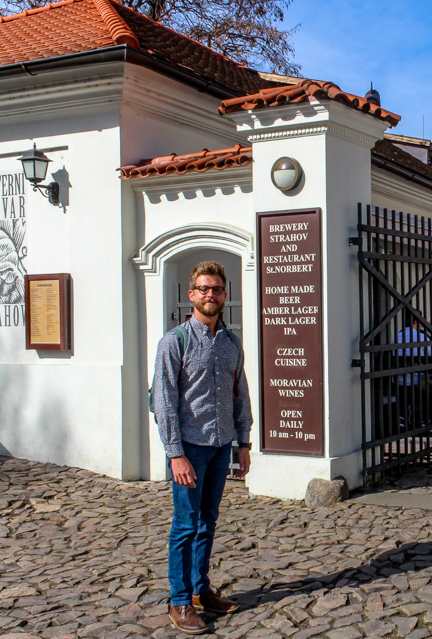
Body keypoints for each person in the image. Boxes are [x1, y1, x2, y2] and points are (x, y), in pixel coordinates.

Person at [154, 261, 251, 635]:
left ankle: (200, 590)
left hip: (220, 444)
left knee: (207, 522)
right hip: (190, 449)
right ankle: (179, 602)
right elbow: (165, 401)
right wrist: (175, 453)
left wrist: (244, 443)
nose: (211, 294)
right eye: (204, 289)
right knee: (184, 525)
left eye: (217, 289)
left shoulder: (231, 343)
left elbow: (238, 394)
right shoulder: (174, 341)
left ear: (225, 295)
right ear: (192, 295)